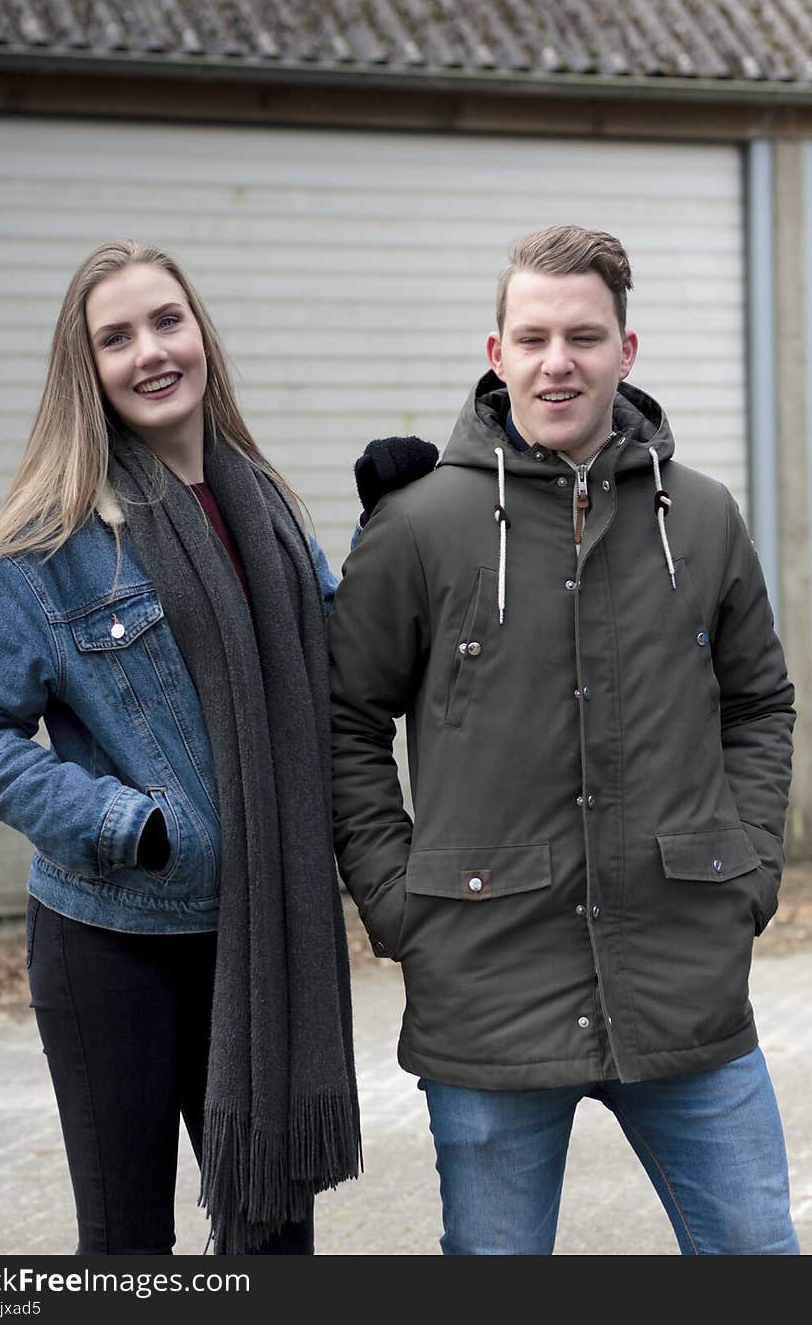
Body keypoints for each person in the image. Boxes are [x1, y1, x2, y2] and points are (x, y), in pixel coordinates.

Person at [328, 223, 800, 1255]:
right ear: (495, 353)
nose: (558, 362)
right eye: (533, 337)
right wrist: (399, 903)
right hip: (486, 993)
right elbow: (345, 723)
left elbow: (760, 702)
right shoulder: (417, 526)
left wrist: (751, 869)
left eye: (583, 337)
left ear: (624, 351)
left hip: (684, 991)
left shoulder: (706, 517)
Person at [0, 239, 363, 1256]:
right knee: (128, 1247)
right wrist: (131, 822)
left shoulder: (267, 509)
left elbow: (348, 671)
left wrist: (394, 529)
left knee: (270, 1241)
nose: (150, 351)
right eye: (115, 337)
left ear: (200, 334)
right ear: (86, 370)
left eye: (166, 321)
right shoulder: (49, 542)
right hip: (114, 939)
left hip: (258, 937)